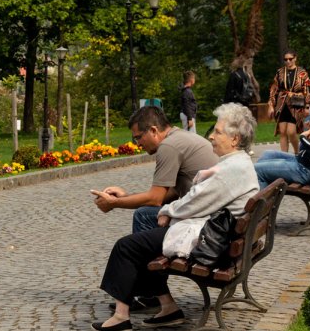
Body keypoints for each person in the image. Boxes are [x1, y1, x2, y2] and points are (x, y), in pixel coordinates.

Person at [92, 103, 261, 331]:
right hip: (223, 234)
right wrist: (167, 209)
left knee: (127, 246)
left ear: (235, 139)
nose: (211, 136)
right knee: (142, 236)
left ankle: (122, 316)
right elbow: (194, 197)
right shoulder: (238, 164)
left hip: (212, 241)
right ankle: (166, 306)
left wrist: (167, 212)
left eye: (218, 132)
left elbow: (196, 201)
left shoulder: (229, 169)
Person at [91, 104, 220, 309]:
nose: (137, 143)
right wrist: (128, 196)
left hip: (206, 223)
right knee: (144, 215)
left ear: (153, 130)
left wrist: (115, 203)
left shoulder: (168, 147)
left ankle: (152, 292)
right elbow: (171, 193)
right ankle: (149, 291)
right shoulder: (181, 137)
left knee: (143, 218)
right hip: (215, 216)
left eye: (138, 137)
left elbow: (155, 199)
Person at [254, 88, 310, 189]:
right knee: (267, 154)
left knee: (256, 170)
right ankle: (265, 191)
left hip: (306, 171)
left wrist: (303, 136)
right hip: (303, 162)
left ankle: (263, 202)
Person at [267, 50, 310, 154]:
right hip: (282, 104)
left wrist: (307, 106)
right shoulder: (280, 72)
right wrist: (271, 105)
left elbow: (308, 90)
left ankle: (297, 153)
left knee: (291, 132)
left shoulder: (302, 72)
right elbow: (274, 89)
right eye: (285, 59)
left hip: (296, 104)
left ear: (295, 58)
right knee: (282, 132)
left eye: (290, 59)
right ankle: (284, 155)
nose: (288, 61)